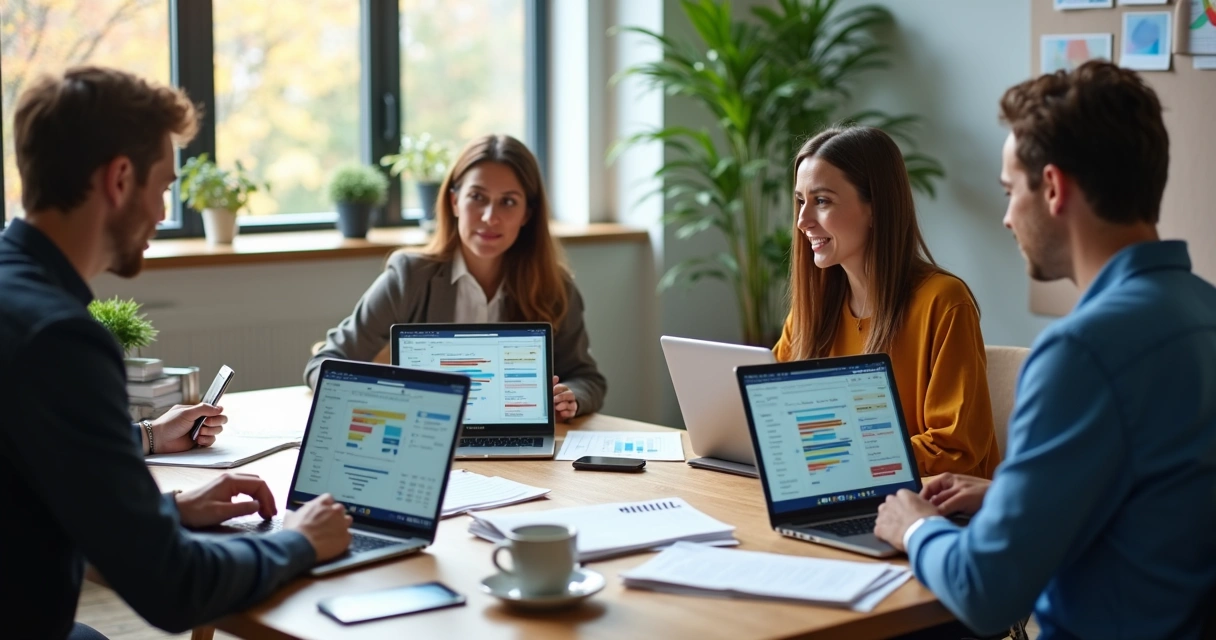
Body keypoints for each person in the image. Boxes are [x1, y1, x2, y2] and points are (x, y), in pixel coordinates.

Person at [0, 66, 353, 640]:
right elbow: (173, 588)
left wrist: (163, 512)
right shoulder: (61, 338)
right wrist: (299, 541)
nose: (164, 214)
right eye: (162, 187)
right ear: (119, 179)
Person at [873, 60, 1216, 639]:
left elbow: (985, 592)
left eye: (1010, 192)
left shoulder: (1082, 353)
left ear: (1053, 188)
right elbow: (1151, 499)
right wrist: (1009, 495)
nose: (1007, 218)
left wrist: (914, 527)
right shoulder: (1203, 312)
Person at [305, 134, 607, 420]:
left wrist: (571, 397)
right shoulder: (409, 277)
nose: (490, 217)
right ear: (454, 201)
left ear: (527, 214)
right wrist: (375, 400)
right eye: (477, 197)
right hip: (423, 436)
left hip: (520, 446)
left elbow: (588, 379)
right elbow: (326, 363)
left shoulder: (555, 288)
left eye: (508, 201)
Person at [772, 125, 1000, 479]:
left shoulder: (943, 303)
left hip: (933, 511)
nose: (802, 221)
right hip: (834, 486)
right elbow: (777, 413)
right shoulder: (813, 307)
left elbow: (955, 449)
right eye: (801, 201)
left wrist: (842, 453)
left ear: (876, 208)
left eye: (822, 201)